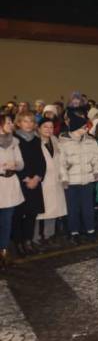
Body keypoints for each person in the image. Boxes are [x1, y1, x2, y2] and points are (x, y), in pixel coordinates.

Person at [59, 110, 98, 244]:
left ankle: (90, 230)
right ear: (75, 128)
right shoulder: (63, 142)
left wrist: (97, 171)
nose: (86, 128)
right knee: (73, 208)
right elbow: (61, 163)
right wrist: (64, 179)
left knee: (88, 207)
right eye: (84, 127)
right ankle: (74, 232)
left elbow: (96, 158)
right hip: (71, 182)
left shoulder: (90, 141)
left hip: (88, 180)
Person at [12, 112, 45, 256]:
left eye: (31, 121)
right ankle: (18, 243)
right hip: (20, 182)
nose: (29, 124)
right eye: (25, 121)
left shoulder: (36, 140)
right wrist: (26, 178)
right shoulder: (13, 140)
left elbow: (41, 161)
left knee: (32, 214)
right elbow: (14, 162)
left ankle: (28, 241)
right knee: (18, 215)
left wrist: (37, 178)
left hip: (35, 182)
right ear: (18, 123)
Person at [34, 118, 65, 245]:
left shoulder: (55, 141)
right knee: (36, 212)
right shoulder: (35, 142)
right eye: (45, 127)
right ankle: (34, 237)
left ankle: (49, 235)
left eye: (51, 127)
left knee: (53, 209)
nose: (48, 129)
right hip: (40, 180)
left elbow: (61, 160)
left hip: (54, 180)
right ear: (39, 128)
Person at [0, 114, 25, 268]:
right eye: (8, 122)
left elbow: (21, 163)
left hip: (10, 184)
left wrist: (14, 165)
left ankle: (3, 252)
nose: (11, 124)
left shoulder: (15, 142)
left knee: (7, 221)